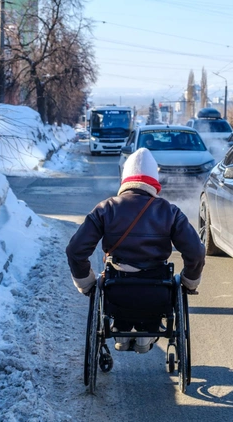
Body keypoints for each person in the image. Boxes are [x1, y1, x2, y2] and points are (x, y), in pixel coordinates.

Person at [66, 148, 205, 354]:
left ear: (125, 179)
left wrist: (86, 284)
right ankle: (146, 331)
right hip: (157, 292)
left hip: (116, 292)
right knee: (158, 293)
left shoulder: (106, 208)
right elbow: (196, 253)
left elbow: (75, 251)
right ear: (154, 181)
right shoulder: (170, 211)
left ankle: (121, 328)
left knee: (115, 286)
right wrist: (188, 281)